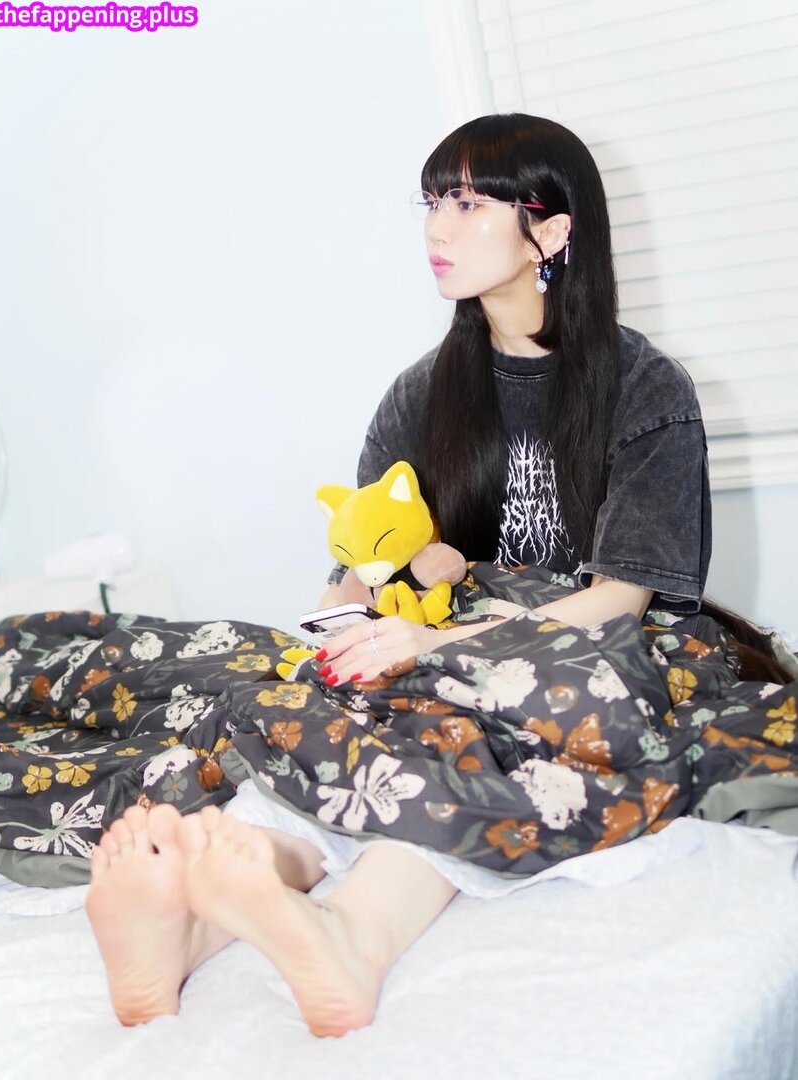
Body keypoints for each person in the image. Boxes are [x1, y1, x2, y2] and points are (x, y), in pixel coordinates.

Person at [85, 113, 713, 1037]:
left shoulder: (644, 387)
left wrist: (436, 642)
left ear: (549, 231)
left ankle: (355, 932)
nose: (436, 228)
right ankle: (210, 907)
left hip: (588, 644)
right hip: (426, 629)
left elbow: (622, 597)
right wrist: (342, 624)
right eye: (431, 203)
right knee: (335, 706)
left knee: (489, 719)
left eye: (467, 204)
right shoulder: (421, 393)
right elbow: (360, 562)